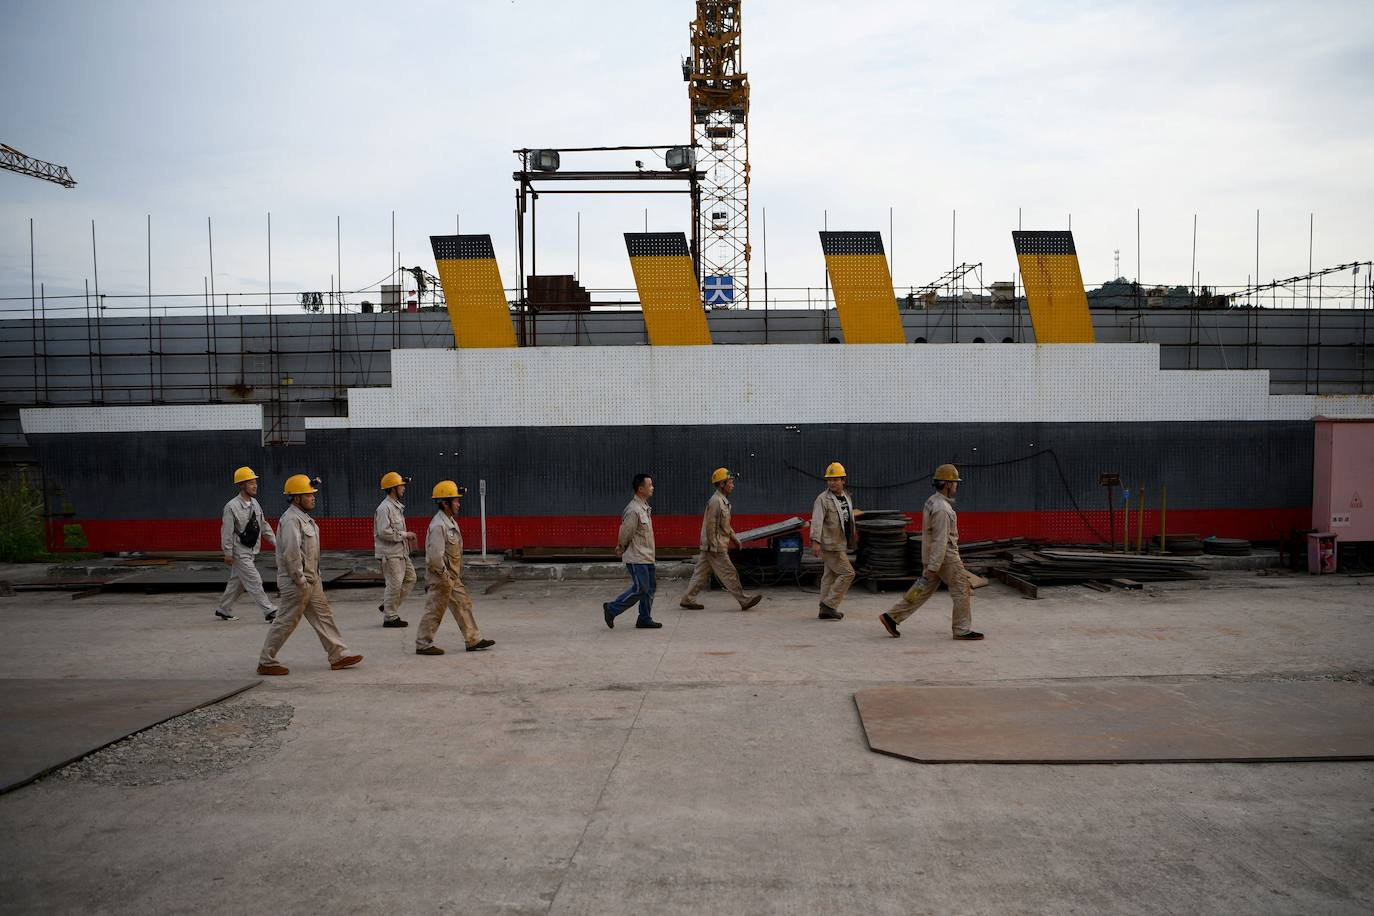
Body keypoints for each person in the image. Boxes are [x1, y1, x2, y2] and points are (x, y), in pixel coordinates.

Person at [256, 475, 363, 675]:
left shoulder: (304, 519)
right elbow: (291, 553)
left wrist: (312, 578)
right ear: (296, 498)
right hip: (297, 583)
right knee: (286, 620)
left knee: (324, 616)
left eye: (313, 494)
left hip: (312, 580)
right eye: (308, 495)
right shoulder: (290, 520)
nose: (313, 498)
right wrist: (300, 579)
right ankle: (266, 661)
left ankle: (339, 655)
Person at [879, 464, 983, 641]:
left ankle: (891, 616)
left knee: (921, 590)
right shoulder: (942, 508)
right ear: (947, 484)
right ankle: (961, 629)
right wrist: (935, 566)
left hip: (933, 556)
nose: (957, 486)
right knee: (961, 589)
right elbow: (941, 539)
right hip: (945, 557)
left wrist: (931, 565)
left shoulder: (932, 501)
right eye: (955, 483)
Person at [415, 481, 494, 655]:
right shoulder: (438, 525)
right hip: (441, 577)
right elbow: (435, 556)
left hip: (452, 576)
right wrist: (444, 576)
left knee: (463, 605)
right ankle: (423, 644)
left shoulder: (450, 522)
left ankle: (473, 639)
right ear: (445, 503)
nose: (459, 504)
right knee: (435, 609)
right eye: (456, 500)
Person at [680, 468, 761, 612]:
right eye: (730, 482)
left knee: (701, 574)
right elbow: (710, 525)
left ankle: (688, 599)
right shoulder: (716, 502)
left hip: (712, 546)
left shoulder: (723, 501)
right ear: (722, 484)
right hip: (715, 546)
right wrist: (713, 546)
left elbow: (725, 526)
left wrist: (735, 539)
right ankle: (743, 600)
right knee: (729, 572)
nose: (733, 485)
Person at [216, 466, 279, 622]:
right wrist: (228, 553)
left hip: (250, 550)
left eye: (255, 482)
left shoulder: (255, 503)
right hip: (239, 551)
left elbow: (263, 525)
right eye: (251, 483)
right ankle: (269, 610)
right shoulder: (231, 507)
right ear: (241, 485)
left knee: (237, 582)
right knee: (254, 579)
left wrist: (277, 543)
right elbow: (227, 531)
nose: (255, 485)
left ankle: (223, 609)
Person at [603, 473, 661, 630]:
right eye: (649, 485)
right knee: (640, 588)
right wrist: (620, 547)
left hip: (647, 556)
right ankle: (611, 609)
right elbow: (626, 532)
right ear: (641, 489)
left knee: (650, 587)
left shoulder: (644, 508)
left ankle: (644, 618)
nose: (652, 487)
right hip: (636, 557)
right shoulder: (633, 509)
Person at [810, 462, 860, 620]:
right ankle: (829, 605)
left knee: (829, 576)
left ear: (843, 480)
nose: (831, 482)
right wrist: (815, 542)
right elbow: (817, 521)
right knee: (848, 573)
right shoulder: (822, 499)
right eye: (829, 480)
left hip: (841, 542)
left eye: (835, 479)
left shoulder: (846, 497)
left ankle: (823, 610)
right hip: (830, 544)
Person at [374, 471, 416, 628]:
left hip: (401, 553)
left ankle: (388, 604)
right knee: (394, 584)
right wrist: (405, 534)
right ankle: (390, 617)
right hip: (390, 554)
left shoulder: (396, 507)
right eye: (401, 486)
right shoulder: (384, 508)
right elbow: (383, 532)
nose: (404, 488)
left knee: (411, 579)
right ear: (393, 488)